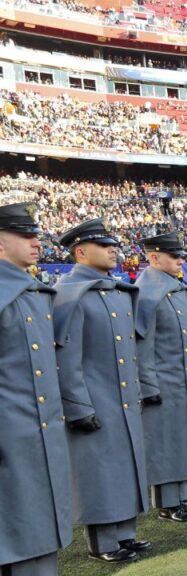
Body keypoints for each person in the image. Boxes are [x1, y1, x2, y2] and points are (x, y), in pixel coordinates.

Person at [54, 218, 149, 564]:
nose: (114, 250)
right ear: (80, 252)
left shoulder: (116, 290)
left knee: (123, 464)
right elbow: (66, 357)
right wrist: (78, 405)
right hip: (94, 398)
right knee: (98, 471)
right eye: (104, 245)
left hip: (120, 397)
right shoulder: (70, 294)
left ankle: (126, 534)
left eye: (114, 245)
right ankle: (102, 542)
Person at [0, 202, 73, 576]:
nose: (35, 242)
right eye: (25, 236)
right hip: (10, 435)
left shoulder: (33, 291)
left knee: (38, 530)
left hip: (37, 432)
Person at [135, 232, 187, 523]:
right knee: (165, 442)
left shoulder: (171, 288)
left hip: (181, 378)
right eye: (174, 256)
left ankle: (184, 496)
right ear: (154, 257)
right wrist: (148, 385)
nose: (181, 260)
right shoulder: (147, 293)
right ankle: (167, 502)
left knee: (183, 438)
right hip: (162, 382)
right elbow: (142, 345)